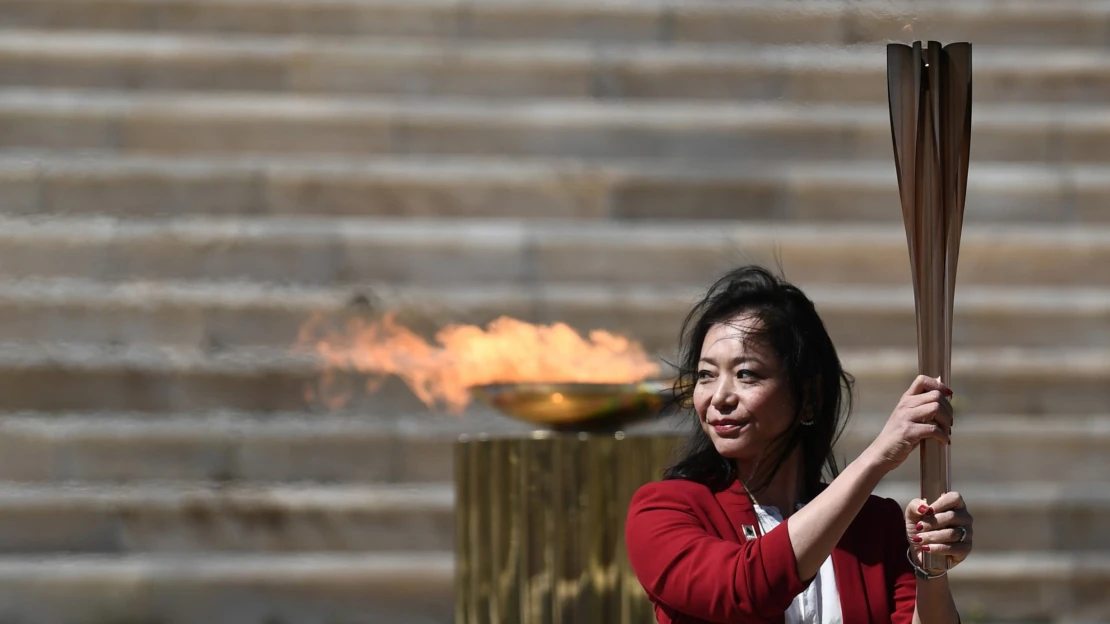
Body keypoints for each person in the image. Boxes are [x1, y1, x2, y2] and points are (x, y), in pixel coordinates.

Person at [625, 266, 974, 624]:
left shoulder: (873, 524)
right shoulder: (664, 510)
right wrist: (876, 457)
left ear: (808, 396)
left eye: (746, 374)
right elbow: (744, 591)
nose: (719, 397)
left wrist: (930, 565)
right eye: (706, 375)